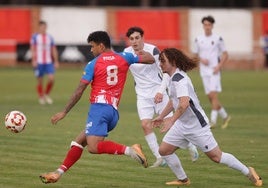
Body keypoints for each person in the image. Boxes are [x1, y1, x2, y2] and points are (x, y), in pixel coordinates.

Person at [39, 31, 155, 184]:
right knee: (78, 142)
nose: (91, 50)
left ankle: (130, 150)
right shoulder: (124, 57)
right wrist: (140, 52)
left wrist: (64, 111)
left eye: (92, 46)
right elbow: (150, 59)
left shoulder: (93, 64)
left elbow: (80, 90)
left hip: (99, 108)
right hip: (113, 113)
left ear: (101, 46)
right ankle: (58, 173)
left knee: (93, 147)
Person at [152, 48, 262, 187]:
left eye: (163, 61)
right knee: (164, 151)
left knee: (217, 157)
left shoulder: (179, 80)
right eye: (160, 61)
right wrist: (161, 117)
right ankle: (183, 180)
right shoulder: (171, 78)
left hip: (197, 126)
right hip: (182, 124)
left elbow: (184, 104)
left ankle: (248, 171)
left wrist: (171, 121)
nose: (160, 64)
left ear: (173, 62)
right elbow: (174, 101)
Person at [124, 26, 199, 167]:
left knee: (171, 124)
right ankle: (159, 157)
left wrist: (160, 91)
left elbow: (165, 72)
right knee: (145, 125)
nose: (134, 41)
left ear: (142, 38)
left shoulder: (153, 50)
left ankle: (191, 146)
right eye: (132, 39)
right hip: (142, 96)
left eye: (137, 38)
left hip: (159, 93)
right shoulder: (126, 53)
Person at [192, 15, 231, 129]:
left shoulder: (218, 39)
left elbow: (225, 54)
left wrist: (219, 66)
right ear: (203, 26)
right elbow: (195, 55)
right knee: (210, 97)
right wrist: (201, 59)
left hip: (214, 71)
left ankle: (213, 121)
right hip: (204, 72)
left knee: (213, 95)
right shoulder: (198, 39)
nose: (207, 27)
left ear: (212, 26)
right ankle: (225, 116)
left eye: (209, 24)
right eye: (205, 24)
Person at [30, 20, 59, 105]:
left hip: (48, 62)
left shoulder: (49, 37)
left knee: (51, 79)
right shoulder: (35, 37)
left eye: (44, 27)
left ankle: (46, 94)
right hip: (39, 62)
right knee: (40, 80)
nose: (43, 28)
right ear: (39, 27)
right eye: (41, 27)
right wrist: (33, 60)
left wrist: (56, 61)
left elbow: (53, 49)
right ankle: (41, 96)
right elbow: (33, 49)